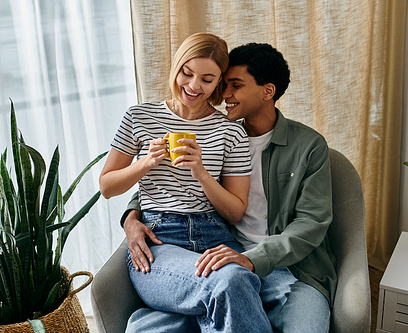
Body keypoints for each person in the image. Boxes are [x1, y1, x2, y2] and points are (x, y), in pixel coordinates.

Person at [123, 42, 337, 332]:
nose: (224, 95)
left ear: (267, 91)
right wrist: (131, 218)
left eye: (234, 85)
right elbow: (167, 184)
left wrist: (253, 259)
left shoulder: (308, 146)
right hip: (215, 253)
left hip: (288, 269)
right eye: (223, 85)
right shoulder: (216, 136)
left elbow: (312, 222)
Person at [99, 33, 273, 333]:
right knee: (231, 281)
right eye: (187, 73)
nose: (193, 86)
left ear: (218, 83)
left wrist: (202, 173)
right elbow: (107, 186)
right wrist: (145, 163)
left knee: (233, 281)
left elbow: (235, 212)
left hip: (215, 236)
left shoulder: (230, 132)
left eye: (207, 79)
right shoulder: (140, 117)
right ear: (176, 68)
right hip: (159, 241)